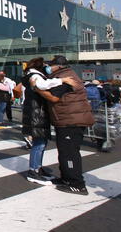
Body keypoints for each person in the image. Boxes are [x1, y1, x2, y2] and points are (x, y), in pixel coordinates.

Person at [36, 55, 94, 196]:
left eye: (51, 65)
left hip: (71, 121)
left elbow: (54, 97)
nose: (48, 67)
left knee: (69, 152)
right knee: (64, 151)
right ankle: (66, 179)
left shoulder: (66, 78)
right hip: (68, 119)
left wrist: (37, 89)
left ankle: (76, 184)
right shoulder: (64, 76)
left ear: (59, 66)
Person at [21, 57, 76, 185]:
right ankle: (33, 171)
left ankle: (38, 168)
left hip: (37, 112)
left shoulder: (34, 75)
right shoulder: (35, 76)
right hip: (36, 113)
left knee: (41, 142)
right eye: (46, 65)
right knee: (38, 143)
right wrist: (62, 80)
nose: (48, 67)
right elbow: (42, 85)